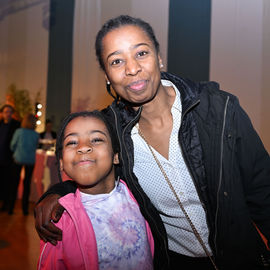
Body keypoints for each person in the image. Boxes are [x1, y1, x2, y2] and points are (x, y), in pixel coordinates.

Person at [34, 15, 270, 270]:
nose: (132, 68)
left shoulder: (219, 109)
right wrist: (57, 192)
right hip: (173, 263)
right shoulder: (111, 130)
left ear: (159, 57)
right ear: (107, 76)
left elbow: (263, 190)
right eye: (116, 61)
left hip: (240, 259)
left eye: (141, 53)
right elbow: (85, 159)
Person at [37, 110, 154, 270]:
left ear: (116, 155)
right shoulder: (59, 221)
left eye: (97, 139)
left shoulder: (139, 195)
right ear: (62, 162)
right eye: (72, 142)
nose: (83, 147)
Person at [8, 113, 39, 215]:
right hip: (30, 160)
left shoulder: (19, 132)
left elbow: (12, 145)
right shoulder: (36, 134)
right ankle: (25, 209)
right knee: (27, 184)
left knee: (14, 183)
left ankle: (11, 208)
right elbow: (35, 147)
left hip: (18, 159)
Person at [0, 104, 20, 211]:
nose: (8, 114)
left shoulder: (17, 125)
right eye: (6, 111)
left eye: (10, 112)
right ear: (2, 113)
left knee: (8, 182)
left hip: (10, 159)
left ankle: (7, 204)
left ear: (12, 114)